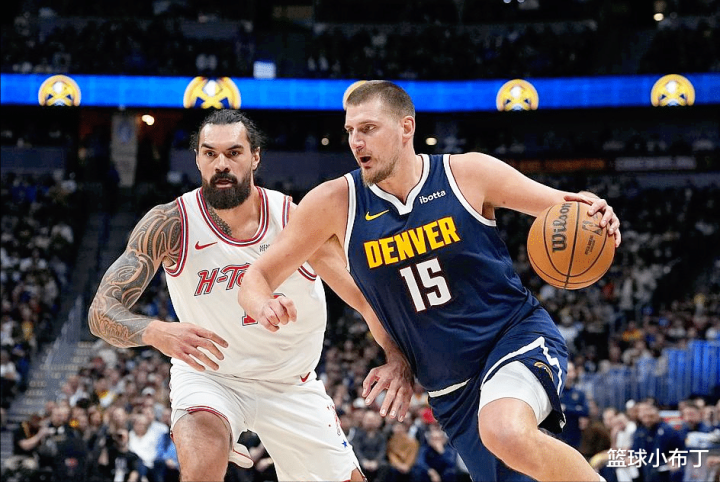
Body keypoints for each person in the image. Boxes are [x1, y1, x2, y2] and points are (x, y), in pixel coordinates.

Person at [238, 80, 622, 482]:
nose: (356, 141)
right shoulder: (334, 203)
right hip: (449, 389)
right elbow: (257, 277)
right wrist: (264, 305)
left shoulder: (467, 174)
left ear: (406, 127)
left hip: (513, 338)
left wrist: (598, 212)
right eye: (350, 131)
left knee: (504, 430)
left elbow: (567, 207)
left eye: (368, 128)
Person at [88, 109, 412, 482]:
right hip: (211, 378)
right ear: (197, 159)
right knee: (201, 467)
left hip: (289, 383)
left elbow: (364, 298)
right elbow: (101, 313)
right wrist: (155, 331)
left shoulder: (295, 220)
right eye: (210, 153)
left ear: (255, 157)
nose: (221, 164)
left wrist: (395, 355)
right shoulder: (171, 223)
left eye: (234, 153)